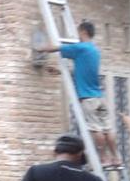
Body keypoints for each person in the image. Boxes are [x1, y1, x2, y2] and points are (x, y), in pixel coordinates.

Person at [36, 22, 121, 166]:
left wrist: (39, 48)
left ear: (83, 32)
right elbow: (81, 72)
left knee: (96, 129)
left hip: (88, 99)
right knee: (108, 128)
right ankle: (116, 158)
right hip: (99, 98)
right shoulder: (94, 51)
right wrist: (59, 71)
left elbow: (56, 48)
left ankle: (104, 158)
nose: (77, 35)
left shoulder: (81, 48)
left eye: (78, 32)